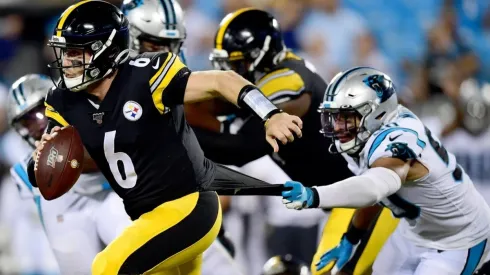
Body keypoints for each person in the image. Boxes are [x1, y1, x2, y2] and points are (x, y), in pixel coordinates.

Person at [26, 1, 301, 274]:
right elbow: (48, 165)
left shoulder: (146, 74)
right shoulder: (63, 100)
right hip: (147, 215)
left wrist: (271, 114)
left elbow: (222, 81)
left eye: (76, 53)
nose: (67, 62)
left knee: (108, 266)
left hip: (189, 205)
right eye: (64, 53)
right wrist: (41, 161)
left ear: (106, 51)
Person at [187, 8, 395, 273]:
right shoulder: (274, 74)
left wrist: (176, 136)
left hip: (368, 201)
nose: (229, 72)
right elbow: (214, 106)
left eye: (236, 63)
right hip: (344, 202)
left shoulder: (288, 84)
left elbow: (240, 149)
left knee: (329, 270)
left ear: (259, 56)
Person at [281, 67, 490, 274]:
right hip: (415, 231)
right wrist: (351, 237)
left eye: (346, 117)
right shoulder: (367, 136)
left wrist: (315, 195)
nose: (337, 126)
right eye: (335, 117)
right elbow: (379, 196)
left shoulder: (398, 138)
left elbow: (375, 187)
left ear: (376, 113)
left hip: (459, 237)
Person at [122, 0, 242, 274]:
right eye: (154, 44)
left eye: (171, 44)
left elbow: (195, 132)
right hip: (119, 195)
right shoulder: (107, 77)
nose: (165, 53)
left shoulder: (171, 70)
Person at [7, 74, 133, 274]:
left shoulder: (94, 120)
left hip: (111, 197)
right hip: (65, 212)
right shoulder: (24, 170)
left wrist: (77, 151)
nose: (40, 126)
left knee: (136, 258)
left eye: (42, 112)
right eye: (28, 122)